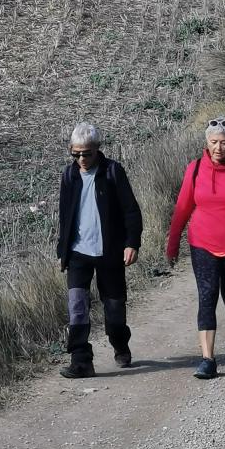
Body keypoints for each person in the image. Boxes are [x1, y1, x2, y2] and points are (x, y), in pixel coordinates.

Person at [166, 117, 225, 379]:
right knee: (207, 298)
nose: (219, 147)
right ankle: (208, 359)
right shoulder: (195, 169)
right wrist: (173, 242)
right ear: (206, 143)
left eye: (224, 142)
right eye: (214, 142)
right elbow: (182, 208)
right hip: (202, 244)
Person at [56, 123, 143, 378]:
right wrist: (63, 249)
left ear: (98, 149)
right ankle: (81, 361)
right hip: (78, 253)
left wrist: (131, 243)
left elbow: (131, 211)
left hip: (110, 252)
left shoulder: (112, 172)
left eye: (87, 153)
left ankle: (120, 344)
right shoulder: (68, 176)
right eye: (76, 154)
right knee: (77, 307)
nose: (82, 159)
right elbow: (65, 215)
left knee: (114, 311)